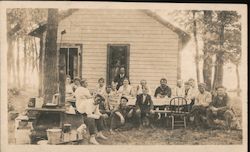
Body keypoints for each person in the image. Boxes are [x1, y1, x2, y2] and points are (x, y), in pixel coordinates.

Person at [74, 79, 108, 145]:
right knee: (91, 119)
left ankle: (99, 133)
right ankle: (92, 138)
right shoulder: (89, 102)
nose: (98, 102)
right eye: (97, 99)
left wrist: (101, 115)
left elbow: (97, 112)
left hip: (87, 113)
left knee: (100, 117)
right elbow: (89, 115)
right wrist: (98, 116)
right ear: (94, 97)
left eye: (99, 101)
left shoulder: (97, 103)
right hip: (81, 114)